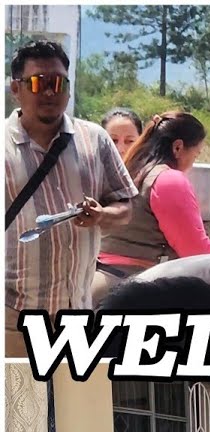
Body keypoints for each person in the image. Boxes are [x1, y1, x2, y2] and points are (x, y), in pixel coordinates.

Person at [5, 40, 136, 357]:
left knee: (76, 393)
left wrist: (102, 215)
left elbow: (125, 206)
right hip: (12, 321)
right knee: (20, 392)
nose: (50, 92)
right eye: (38, 83)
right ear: (16, 89)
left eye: (59, 83)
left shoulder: (95, 139)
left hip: (77, 318)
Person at [94, 111, 210, 304]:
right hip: (132, 289)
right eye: (195, 155)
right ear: (178, 147)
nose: (192, 163)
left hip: (104, 278)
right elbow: (195, 250)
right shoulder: (168, 180)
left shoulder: (131, 171)